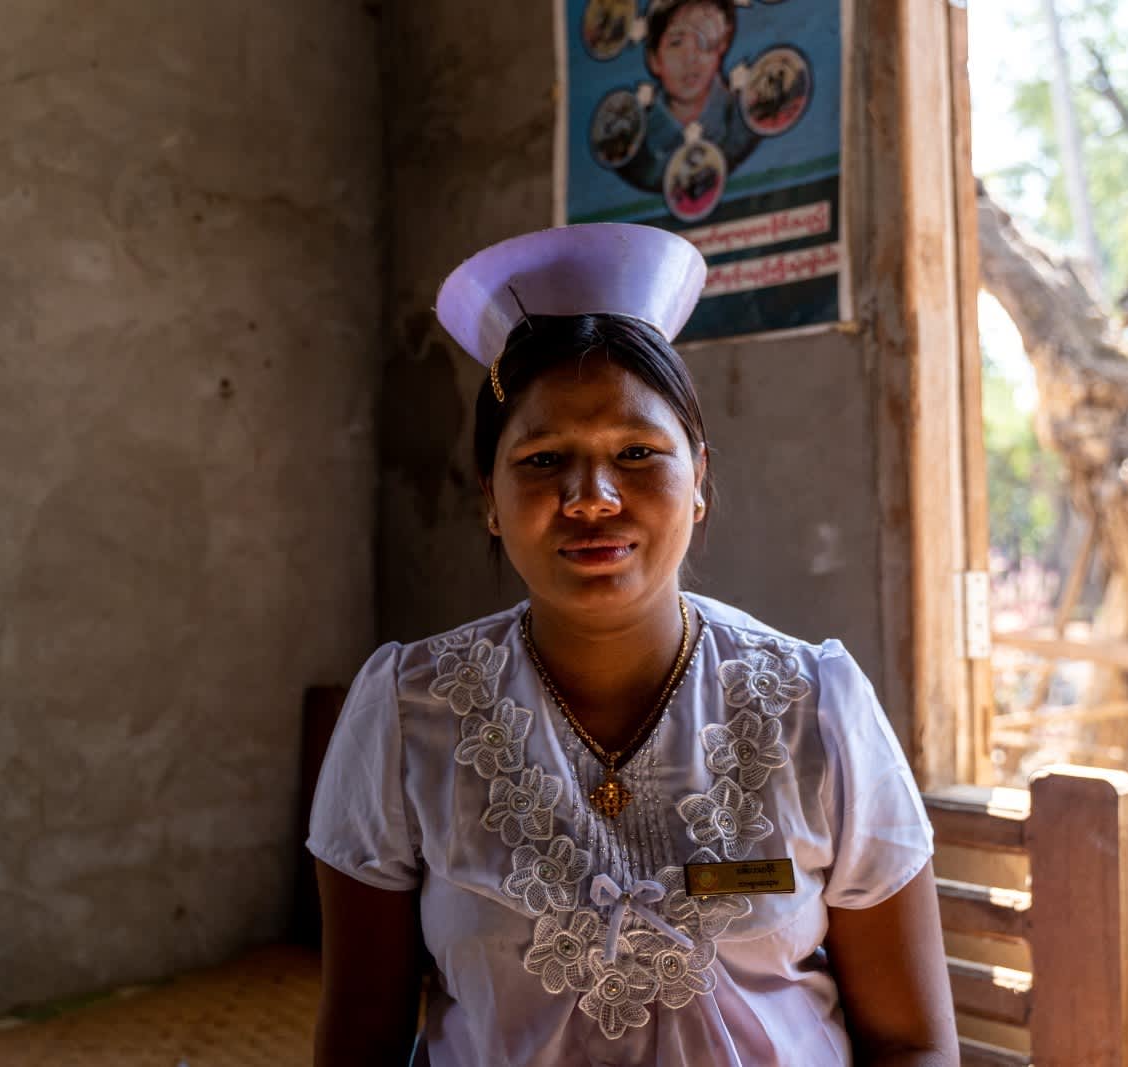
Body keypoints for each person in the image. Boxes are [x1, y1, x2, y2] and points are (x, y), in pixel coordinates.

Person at [308, 224, 957, 1065]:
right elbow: (360, 1040)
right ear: (490, 502)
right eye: (543, 459)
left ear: (699, 485)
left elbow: (910, 1042)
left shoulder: (814, 703)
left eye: (638, 453)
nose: (591, 497)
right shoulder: (407, 709)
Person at [615, 0, 760, 194]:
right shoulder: (634, 147)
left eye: (704, 40)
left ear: (722, 44)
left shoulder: (746, 123)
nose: (690, 58)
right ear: (654, 59)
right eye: (676, 43)